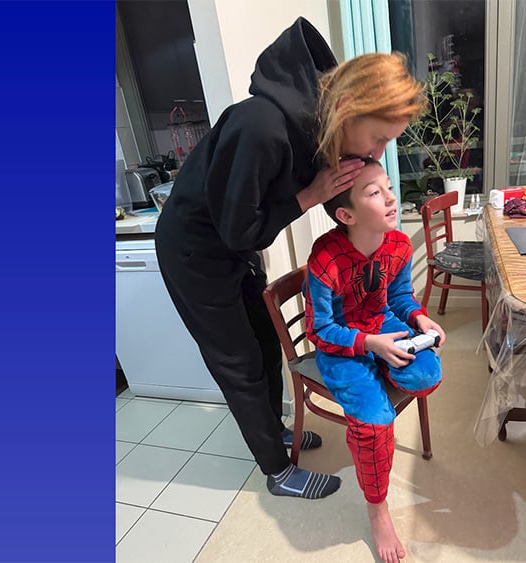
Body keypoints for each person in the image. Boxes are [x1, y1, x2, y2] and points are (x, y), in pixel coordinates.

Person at [154, 16, 425, 502]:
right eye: (380, 139)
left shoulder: (321, 128)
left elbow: (330, 200)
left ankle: (277, 432)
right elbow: (241, 228)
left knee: (263, 343)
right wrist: (309, 195)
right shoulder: (261, 127)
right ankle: (278, 473)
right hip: (195, 249)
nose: (379, 151)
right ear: (347, 108)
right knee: (238, 362)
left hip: (235, 243)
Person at [305, 156, 446, 563]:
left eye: (388, 187)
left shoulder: (398, 244)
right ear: (346, 214)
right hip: (341, 341)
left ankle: (384, 366)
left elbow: (400, 298)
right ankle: (377, 509)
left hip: (381, 323)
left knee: (427, 373)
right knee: (375, 423)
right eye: (374, 192)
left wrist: (420, 318)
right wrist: (370, 345)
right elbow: (320, 329)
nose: (390, 197)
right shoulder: (325, 259)